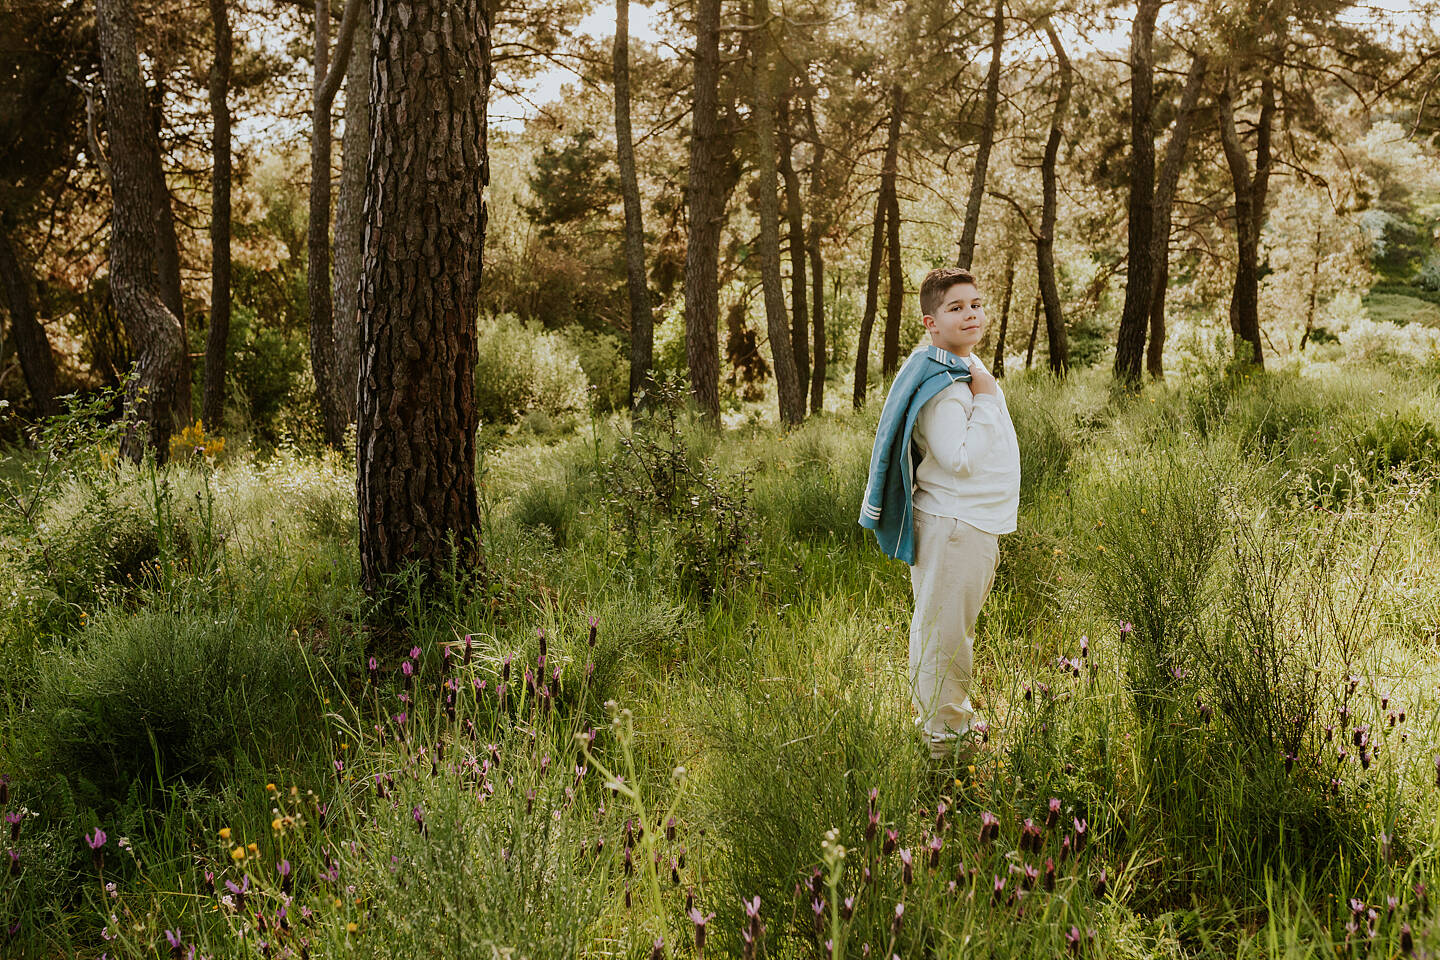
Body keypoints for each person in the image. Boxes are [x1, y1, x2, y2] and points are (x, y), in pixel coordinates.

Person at [858, 266, 1021, 759]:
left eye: (975, 303)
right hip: (955, 527)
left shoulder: (953, 367)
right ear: (930, 322)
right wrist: (988, 398)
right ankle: (943, 750)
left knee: (946, 631)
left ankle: (946, 727)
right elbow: (960, 457)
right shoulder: (949, 386)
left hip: (964, 524)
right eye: (955, 308)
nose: (970, 314)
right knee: (945, 642)